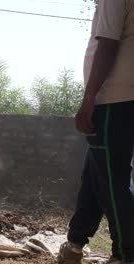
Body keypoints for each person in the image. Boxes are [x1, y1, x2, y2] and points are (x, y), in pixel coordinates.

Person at [58, 1, 134, 263]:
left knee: (113, 183)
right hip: (124, 100)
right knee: (94, 175)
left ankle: (126, 254)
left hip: (115, 100)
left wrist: (88, 100)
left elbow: (108, 45)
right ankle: (75, 243)